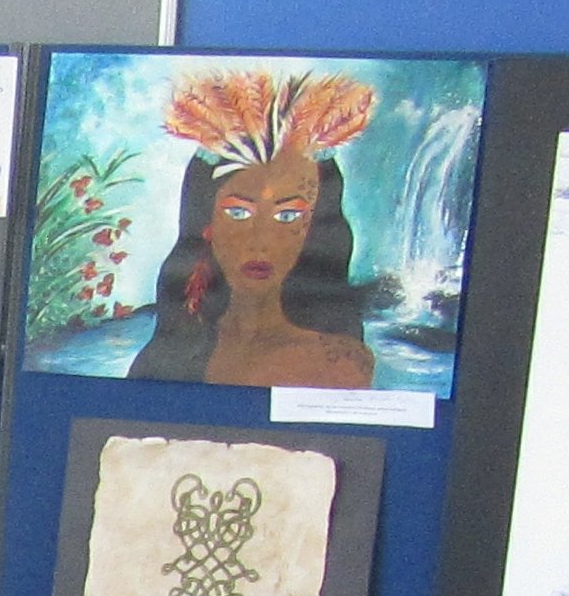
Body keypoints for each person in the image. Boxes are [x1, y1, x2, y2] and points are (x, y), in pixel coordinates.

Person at [127, 66, 380, 392]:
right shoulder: (164, 358)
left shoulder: (338, 364)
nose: (261, 241)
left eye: (287, 216)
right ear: (207, 224)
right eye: (238, 212)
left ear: (312, 228)